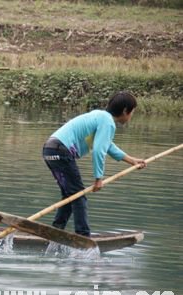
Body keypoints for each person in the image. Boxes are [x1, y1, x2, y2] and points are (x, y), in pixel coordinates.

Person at [42, 91, 146, 236]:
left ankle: (56, 231)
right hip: (60, 151)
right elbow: (99, 151)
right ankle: (83, 237)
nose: (131, 116)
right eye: (132, 111)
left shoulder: (100, 116)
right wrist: (98, 178)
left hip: (50, 150)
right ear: (125, 111)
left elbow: (107, 145)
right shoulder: (107, 122)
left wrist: (131, 160)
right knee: (78, 196)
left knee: (70, 195)